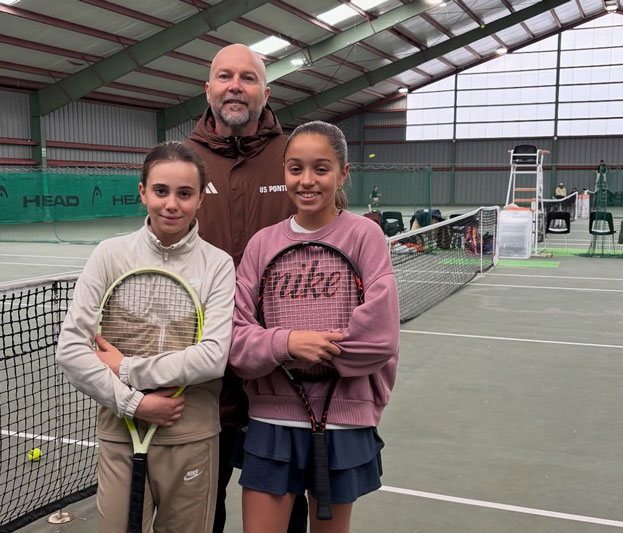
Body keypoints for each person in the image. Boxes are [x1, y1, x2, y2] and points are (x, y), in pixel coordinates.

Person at [55, 141, 236, 533]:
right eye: (161, 191)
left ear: (201, 198)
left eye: (185, 194)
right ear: (142, 192)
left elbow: (213, 358)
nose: (172, 204)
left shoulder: (218, 264)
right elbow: (71, 349)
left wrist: (128, 368)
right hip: (121, 433)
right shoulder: (108, 254)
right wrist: (134, 404)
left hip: (192, 436)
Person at [229, 121, 400, 533]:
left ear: (342, 173)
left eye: (321, 169)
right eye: (295, 168)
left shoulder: (365, 237)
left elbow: (380, 339)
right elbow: (236, 340)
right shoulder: (261, 245)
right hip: (272, 420)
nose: (307, 181)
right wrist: (288, 343)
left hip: (344, 420)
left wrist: (312, 351)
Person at [184, 43, 301, 533]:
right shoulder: (181, 160)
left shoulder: (294, 157)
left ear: (266, 91)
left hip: (280, 374)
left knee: (282, 512)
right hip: (200, 376)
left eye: (248, 77)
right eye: (225, 76)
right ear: (208, 88)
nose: (236, 86)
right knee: (199, 509)